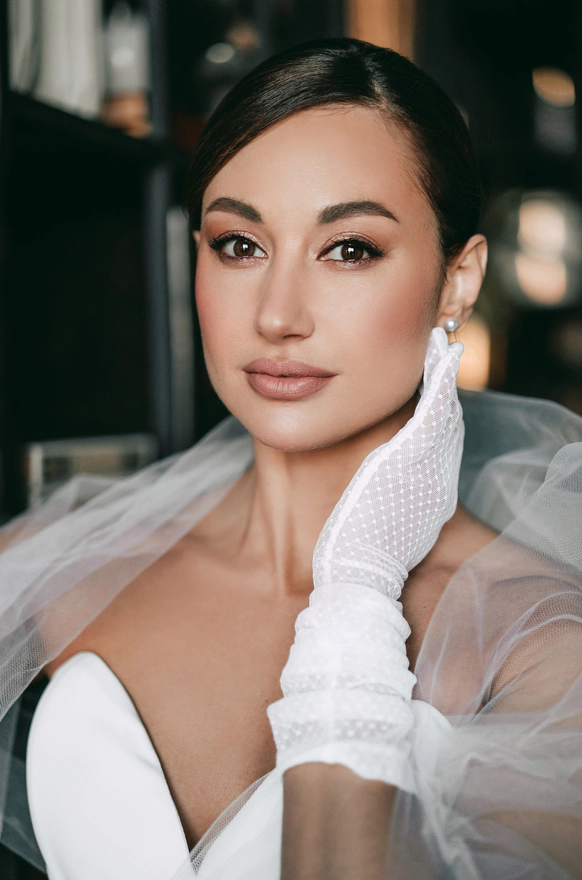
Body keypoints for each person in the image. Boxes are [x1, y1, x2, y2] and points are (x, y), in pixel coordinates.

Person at [0, 37, 581, 880]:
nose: (277, 315)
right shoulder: (51, 564)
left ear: (457, 282)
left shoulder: (542, 647)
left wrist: (358, 592)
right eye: (240, 244)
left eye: (349, 249)